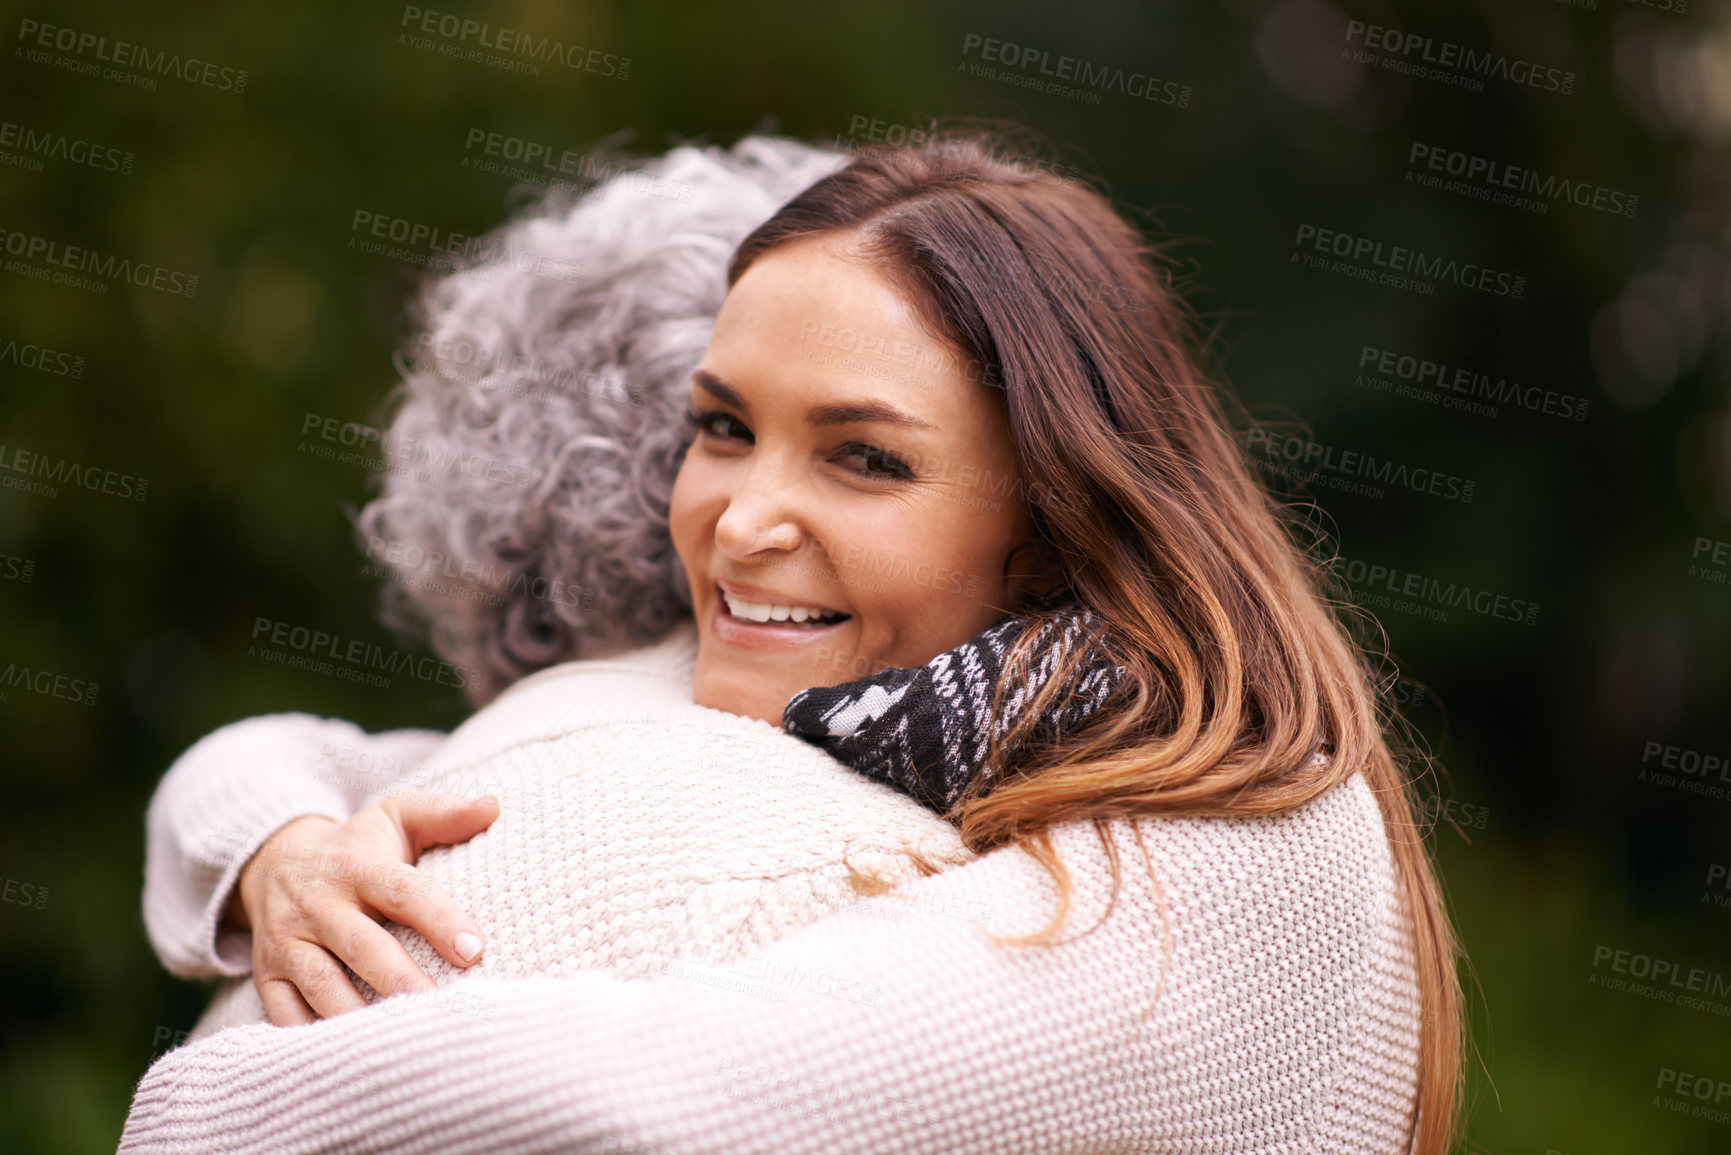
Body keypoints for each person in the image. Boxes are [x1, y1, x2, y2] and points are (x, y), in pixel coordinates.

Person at [121, 129, 1463, 1154]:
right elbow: (298, 757)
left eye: (864, 459)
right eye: (720, 426)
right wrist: (277, 859)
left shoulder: (1248, 842)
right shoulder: (862, 703)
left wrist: (205, 1109)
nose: (740, 521)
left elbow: (661, 1094)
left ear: (1055, 518)